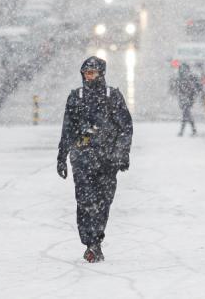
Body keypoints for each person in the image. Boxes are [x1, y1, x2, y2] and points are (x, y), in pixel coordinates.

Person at [57, 57, 133, 263]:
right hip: (82, 158)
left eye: (93, 72)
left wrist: (122, 153)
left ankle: (96, 240)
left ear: (101, 74)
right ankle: (89, 242)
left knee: (103, 202)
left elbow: (125, 128)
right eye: (86, 73)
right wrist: (61, 156)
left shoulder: (113, 96)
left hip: (108, 159)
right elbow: (67, 129)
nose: (89, 76)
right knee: (84, 201)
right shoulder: (76, 97)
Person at [176, 63, 202, 136]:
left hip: (187, 98)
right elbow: (179, 89)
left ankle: (183, 131)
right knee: (187, 114)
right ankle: (192, 130)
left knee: (186, 114)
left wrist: (192, 95)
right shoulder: (182, 78)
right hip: (185, 98)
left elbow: (195, 88)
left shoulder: (189, 78)